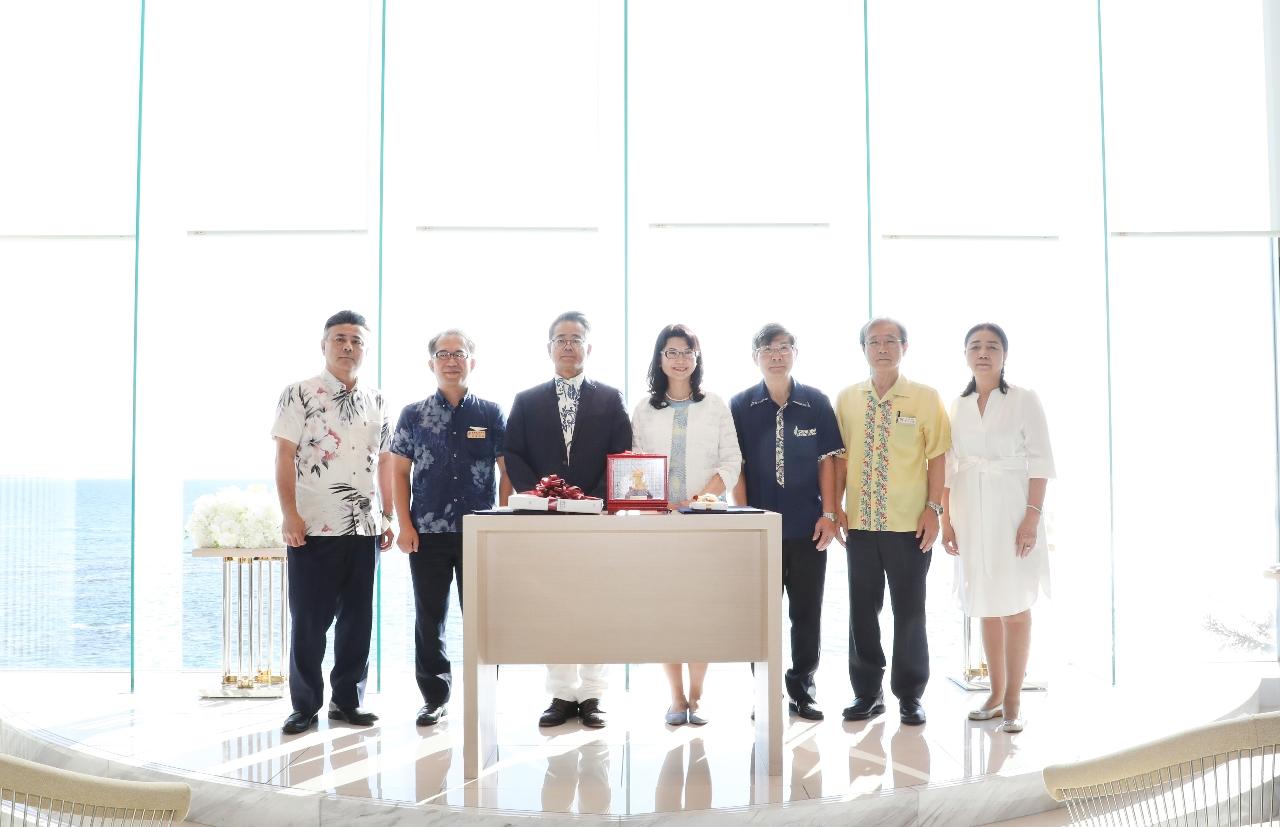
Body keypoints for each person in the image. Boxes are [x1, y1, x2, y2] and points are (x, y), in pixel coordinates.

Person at [504, 310, 633, 728]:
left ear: (588, 348)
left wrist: (591, 500)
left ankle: (593, 694)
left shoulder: (610, 398)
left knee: (597, 604)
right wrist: (545, 496)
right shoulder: (526, 400)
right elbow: (513, 453)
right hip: (545, 520)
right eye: (560, 339)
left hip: (596, 518)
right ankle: (561, 694)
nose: (568, 345)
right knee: (553, 604)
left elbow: (622, 452)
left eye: (575, 339)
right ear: (549, 348)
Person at [272, 310, 395, 735]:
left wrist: (388, 516)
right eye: (340, 338)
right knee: (309, 621)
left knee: (358, 623)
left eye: (356, 340)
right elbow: (284, 455)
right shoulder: (299, 393)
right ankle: (304, 706)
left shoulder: (378, 400)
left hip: (364, 528)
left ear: (365, 349)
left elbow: (385, 462)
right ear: (324, 345)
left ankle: (347, 702)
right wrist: (290, 514)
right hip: (313, 528)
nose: (348, 346)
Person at [389, 329, 512, 728]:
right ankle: (434, 698)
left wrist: (503, 521)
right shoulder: (413, 414)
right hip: (427, 531)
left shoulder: (491, 414)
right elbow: (398, 472)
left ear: (471, 362)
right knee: (430, 618)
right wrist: (404, 524)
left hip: (480, 531)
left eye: (459, 353)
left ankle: (485, 692)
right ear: (432, 363)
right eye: (443, 354)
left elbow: (506, 471)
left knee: (482, 618)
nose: (451, 360)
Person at [834, 317, 950, 726]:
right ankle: (867, 693)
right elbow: (839, 459)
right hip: (861, 525)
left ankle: (910, 695)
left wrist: (934, 509)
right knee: (862, 612)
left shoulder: (925, 397)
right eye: (874, 341)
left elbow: (938, 457)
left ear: (905, 347)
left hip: (909, 526)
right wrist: (836, 508)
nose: (882, 348)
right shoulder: (847, 399)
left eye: (890, 341)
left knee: (910, 612)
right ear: (863, 348)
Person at [941, 323, 1054, 734]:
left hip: (1012, 509)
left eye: (992, 346)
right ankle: (994, 692)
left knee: (1015, 606)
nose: (983, 352)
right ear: (965, 355)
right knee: (985, 604)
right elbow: (948, 466)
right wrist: (946, 521)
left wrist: (1031, 517)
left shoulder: (1024, 399)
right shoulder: (957, 406)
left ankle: (1014, 700)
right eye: (975, 346)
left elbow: (1040, 461)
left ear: (1005, 355)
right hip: (969, 510)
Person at [730, 323, 843, 721]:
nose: (776, 355)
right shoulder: (740, 405)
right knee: (760, 615)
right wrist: (744, 519)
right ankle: (764, 691)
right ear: (755, 357)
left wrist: (830, 515)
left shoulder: (816, 402)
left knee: (806, 613)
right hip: (760, 530)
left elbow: (828, 462)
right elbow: (736, 467)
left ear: (795, 353)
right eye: (767, 349)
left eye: (783, 348)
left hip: (808, 528)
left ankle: (803, 690)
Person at [630, 323, 741, 726]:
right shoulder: (644, 409)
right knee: (667, 611)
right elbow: (635, 464)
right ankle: (676, 697)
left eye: (687, 352)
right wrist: (658, 504)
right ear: (660, 359)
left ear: (697, 358)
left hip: (705, 525)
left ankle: (698, 695)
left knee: (701, 611)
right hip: (659, 526)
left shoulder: (715, 405)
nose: (680, 360)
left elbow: (730, 461)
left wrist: (697, 502)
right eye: (671, 352)